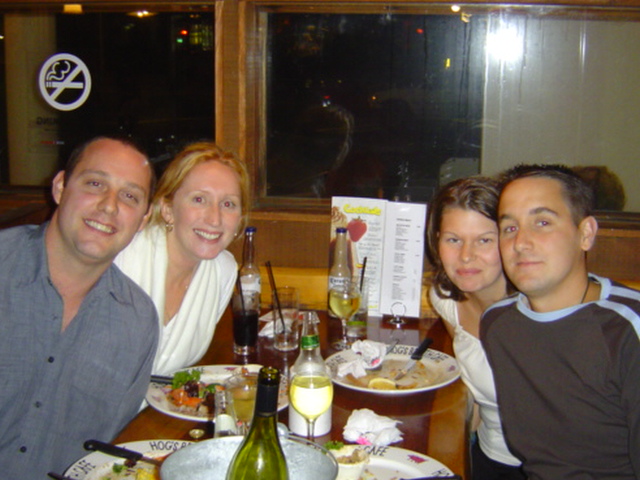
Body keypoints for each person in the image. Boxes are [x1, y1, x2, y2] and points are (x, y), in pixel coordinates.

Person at [0, 136, 159, 479]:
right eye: (95, 184)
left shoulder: (137, 321)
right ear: (60, 187)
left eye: (130, 196)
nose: (109, 206)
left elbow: (106, 457)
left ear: (144, 219)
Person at [481, 164, 640, 479]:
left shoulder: (627, 330)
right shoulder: (498, 325)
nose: (521, 242)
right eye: (509, 228)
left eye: (542, 222)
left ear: (586, 233)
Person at [115, 142, 249, 375]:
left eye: (228, 204)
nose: (215, 219)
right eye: (199, 199)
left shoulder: (223, 271)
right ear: (168, 209)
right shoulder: (122, 256)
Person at [426, 177, 524, 480]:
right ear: (437, 240)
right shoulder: (445, 299)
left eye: (484, 240)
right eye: (453, 240)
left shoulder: (537, 310)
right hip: (487, 456)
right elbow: (474, 377)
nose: (466, 255)